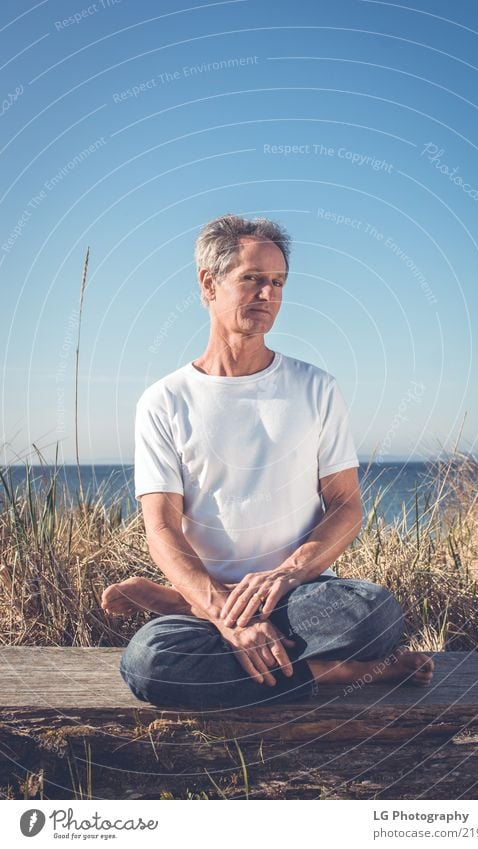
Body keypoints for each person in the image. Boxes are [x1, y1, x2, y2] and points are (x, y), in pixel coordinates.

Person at [101, 213, 434, 708]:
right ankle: (339, 672)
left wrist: (288, 573)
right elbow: (162, 529)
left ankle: (186, 606)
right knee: (150, 665)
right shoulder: (164, 401)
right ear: (209, 283)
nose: (268, 295)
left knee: (374, 614)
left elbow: (345, 505)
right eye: (252, 279)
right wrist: (221, 608)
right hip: (210, 594)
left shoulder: (315, 387)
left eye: (277, 282)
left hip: (294, 598)